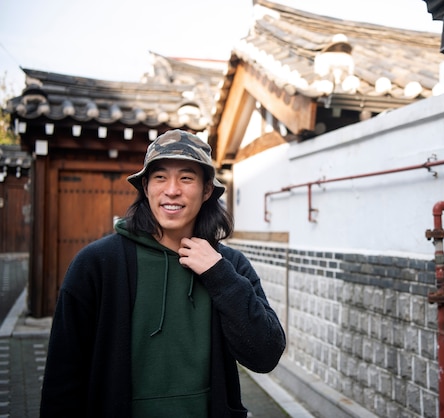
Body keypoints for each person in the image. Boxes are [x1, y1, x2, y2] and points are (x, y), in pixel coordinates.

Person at [40, 129, 286, 417]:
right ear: (145, 187)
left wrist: (219, 275)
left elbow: (266, 354)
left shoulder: (229, 264)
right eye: (160, 177)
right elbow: (63, 377)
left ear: (207, 190)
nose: (172, 190)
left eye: (186, 177)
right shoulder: (97, 264)